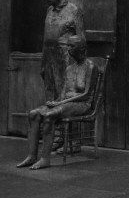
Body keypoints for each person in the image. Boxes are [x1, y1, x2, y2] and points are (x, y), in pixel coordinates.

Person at [17, 36, 97, 170]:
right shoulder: (69, 69)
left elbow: (86, 94)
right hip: (66, 103)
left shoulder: (90, 66)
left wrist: (62, 102)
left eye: (72, 46)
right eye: (68, 46)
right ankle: (31, 156)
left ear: (81, 48)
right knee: (33, 114)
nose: (69, 49)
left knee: (49, 115)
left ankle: (45, 158)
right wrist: (55, 101)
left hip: (83, 105)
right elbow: (63, 93)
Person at [41, 0, 85, 102]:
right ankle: (50, 118)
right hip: (49, 57)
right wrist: (44, 61)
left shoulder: (74, 10)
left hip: (66, 58)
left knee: (64, 92)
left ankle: (63, 118)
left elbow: (81, 39)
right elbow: (47, 37)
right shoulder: (49, 10)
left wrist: (79, 64)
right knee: (50, 91)